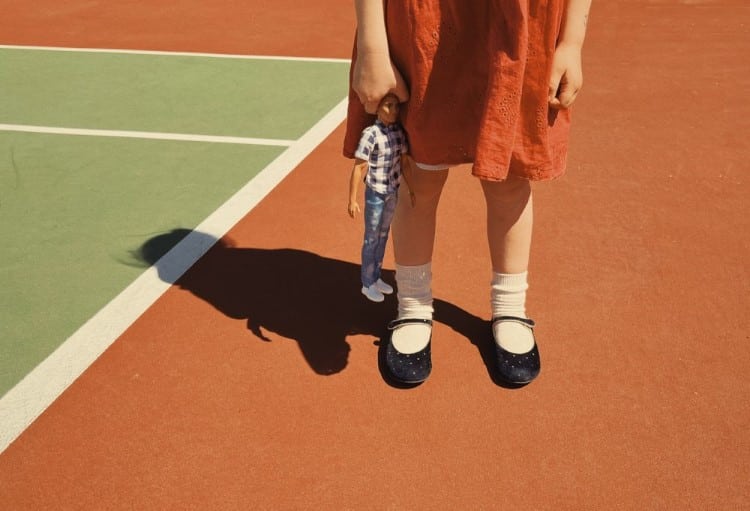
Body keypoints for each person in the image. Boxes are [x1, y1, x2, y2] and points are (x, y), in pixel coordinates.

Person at [344, 1, 592, 385]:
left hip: (519, 25)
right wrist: (374, 49)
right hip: (426, 24)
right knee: (418, 177)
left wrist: (572, 42)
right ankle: (412, 304)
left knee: (508, 178)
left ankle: (510, 307)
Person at [348, 93, 414, 303]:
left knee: (383, 235)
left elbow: (404, 164)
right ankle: (367, 283)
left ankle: (376, 278)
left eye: (396, 106)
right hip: (375, 193)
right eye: (388, 106)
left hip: (392, 191)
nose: (394, 110)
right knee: (371, 238)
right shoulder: (371, 134)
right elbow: (359, 168)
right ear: (377, 109)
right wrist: (352, 199)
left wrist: (411, 189)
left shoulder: (398, 133)